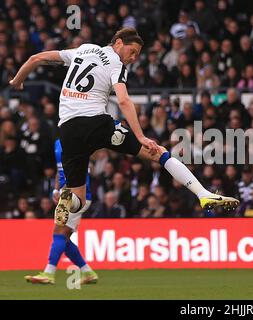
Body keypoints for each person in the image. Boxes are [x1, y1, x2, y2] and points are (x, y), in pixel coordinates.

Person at [10, 28, 239, 284]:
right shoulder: (116, 63)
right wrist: (140, 136)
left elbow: (36, 59)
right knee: (157, 152)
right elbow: (124, 100)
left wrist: (17, 81)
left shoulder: (82, 50)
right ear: (118, 43)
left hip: (67, 130)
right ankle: (203, 194)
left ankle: (68, 204)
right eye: (132, 51)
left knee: (79, 198)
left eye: (136, 55)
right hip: (96, 123)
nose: (132, 58)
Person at [24, 139, 97, 284]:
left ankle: (49, 273)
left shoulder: (78, 140)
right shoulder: (58, 142)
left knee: (58, 232)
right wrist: (56, 189)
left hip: (77, 193)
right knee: (64, 237)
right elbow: (60, 169)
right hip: (65, 192)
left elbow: (85, 166)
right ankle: (87, 272)